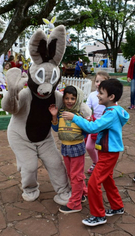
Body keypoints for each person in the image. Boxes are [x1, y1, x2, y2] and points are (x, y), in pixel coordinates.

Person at [62, 79, 130, 227]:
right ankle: (117, 206)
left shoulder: (111, 114)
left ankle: (98, 215)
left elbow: (93, 128)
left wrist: (75, 118)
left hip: (109, 154)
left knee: (93, 183)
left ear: (111, 97)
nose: (97, 95)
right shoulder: (114, 111)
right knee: (107, 180)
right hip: (108, 152)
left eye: (101, 93)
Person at [49, 85, 88, 214]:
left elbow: (87, 130)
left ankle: (75, 203)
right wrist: (54, 117)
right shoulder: (61, 113)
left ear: (77, 99)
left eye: (73, 98)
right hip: (65, 147)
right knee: (72, 174)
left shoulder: (79, 114)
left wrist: (80, 124)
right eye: (67, 98)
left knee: (76, 176)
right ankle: (82, 192)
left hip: (77, 147)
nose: (69, 101)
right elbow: (56, 129)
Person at [85, 71, 110, 174]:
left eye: (102, 81)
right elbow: (87, 107)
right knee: (89, 146)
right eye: (97, 81)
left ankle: (103, 165)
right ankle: (96, 162)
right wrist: (88, 116)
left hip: (105, 124)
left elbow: (113, 108)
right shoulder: (92, 95)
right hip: (94, 123)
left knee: (103, 147)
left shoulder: (109, 95)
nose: (98, 83)